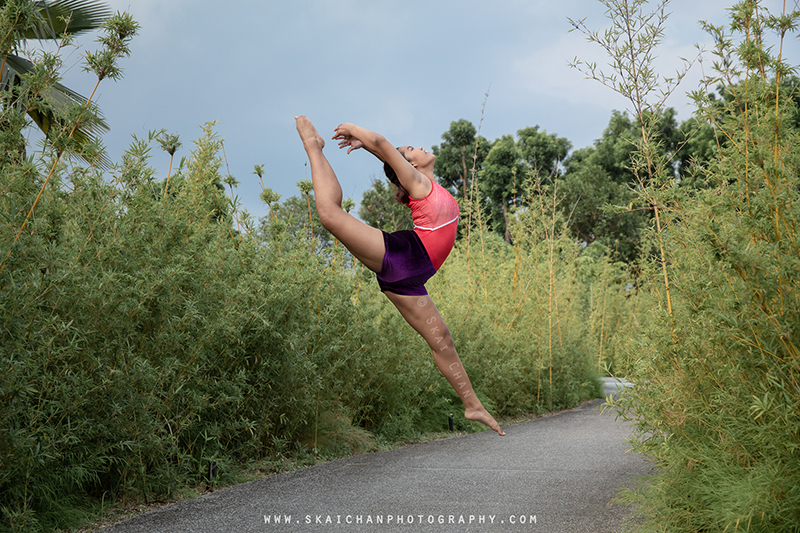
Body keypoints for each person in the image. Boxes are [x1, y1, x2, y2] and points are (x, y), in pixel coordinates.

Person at [295, 116, 504, 436]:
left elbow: (383, 151)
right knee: (329, 214)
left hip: (411, 276)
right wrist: (358, 132)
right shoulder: (420, 184)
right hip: (403, 258)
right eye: (410, 149)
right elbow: (382, 145)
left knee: (442, 341)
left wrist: (370, 146)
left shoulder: (425, 184)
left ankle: (472, 405)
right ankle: (314, 146)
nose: (418, 147)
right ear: (410, 166)